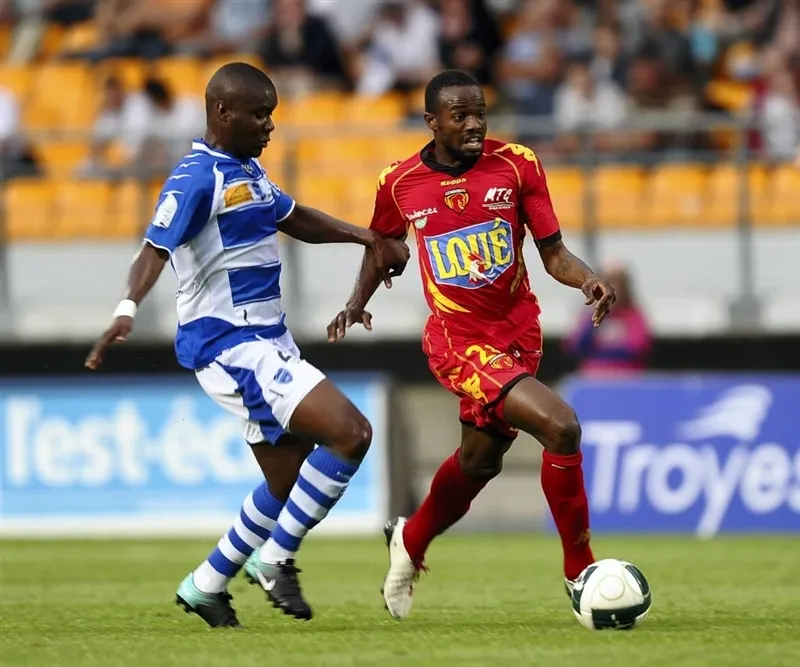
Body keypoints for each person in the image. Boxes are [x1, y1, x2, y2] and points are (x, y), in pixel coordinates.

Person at [85, 62, 409, 626]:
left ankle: (205, 585)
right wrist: (126, 309)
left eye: (272, 115)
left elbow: (294, 217)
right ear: (222, 112)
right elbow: (154, 248)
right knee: (351, 433)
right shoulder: (195, 178)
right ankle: (276, 558)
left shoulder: (248, 172)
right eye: (259, 115)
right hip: (231, 344)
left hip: (265, 340)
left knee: (286, 481)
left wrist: (368, 237)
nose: (269, 125)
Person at [327, 69, 615, 620]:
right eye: (460, 116)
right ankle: (580, 573)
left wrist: (588, 279)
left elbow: (554, 254)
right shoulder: (400, 182)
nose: (475, 124)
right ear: (432, 122)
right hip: (458, 341)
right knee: (561, 426)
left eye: (480, 113)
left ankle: (410, 539)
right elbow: (382, 244)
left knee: (480, 463)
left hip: (519, 333)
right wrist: (357, 299)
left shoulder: (518, 164)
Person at [565, 264, 652, 375]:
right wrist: (595, 313)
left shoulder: (633, 315)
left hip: (627, 377)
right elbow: (576, 347)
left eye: (616, 284)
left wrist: (598, 352)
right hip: (593, 376)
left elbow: (637, 349)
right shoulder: (589, 314)